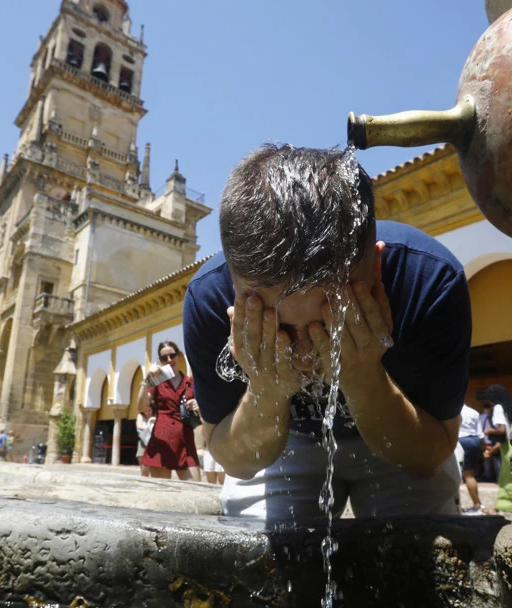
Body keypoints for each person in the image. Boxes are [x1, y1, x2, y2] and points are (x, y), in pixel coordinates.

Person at [183, 144, 472, 519]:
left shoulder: (429, 280)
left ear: (376, 268)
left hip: (402, 426)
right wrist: (267, 390)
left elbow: (429, 458)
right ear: (235, 290)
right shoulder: (208, 297)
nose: (306, 352)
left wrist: (363, 376)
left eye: (330, 322)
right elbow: (235, 462)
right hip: (285, 441)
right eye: (282, 326)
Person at [135, 341, 202, 480]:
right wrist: (145, 381)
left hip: (186, 441)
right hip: (162, 441)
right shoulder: (156, 381)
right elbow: (142, 407)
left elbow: (204, 413)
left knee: (195, 488)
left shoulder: (190, 381)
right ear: (160, 360)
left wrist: (198, 406)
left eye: (172, 355)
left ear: (178, 356)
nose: (169, 360)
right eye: (164, 358)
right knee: (162, 492)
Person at [483, 384, 512, 513]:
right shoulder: (510, 407)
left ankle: (504, 505)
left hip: (506, 447)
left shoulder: (497, 407)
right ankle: (503, 505)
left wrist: (489, 431)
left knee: (506, 477)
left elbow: (502, 430)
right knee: (511, 476)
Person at [457, 404, 486, 515]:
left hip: (461, 440)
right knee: (471, 474)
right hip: (474, 440)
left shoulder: (452, 409)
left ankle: (477, 505)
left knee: (466, 475)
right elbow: (480, 432)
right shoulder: (473, 411)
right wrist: (485, 448)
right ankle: (477, 503)